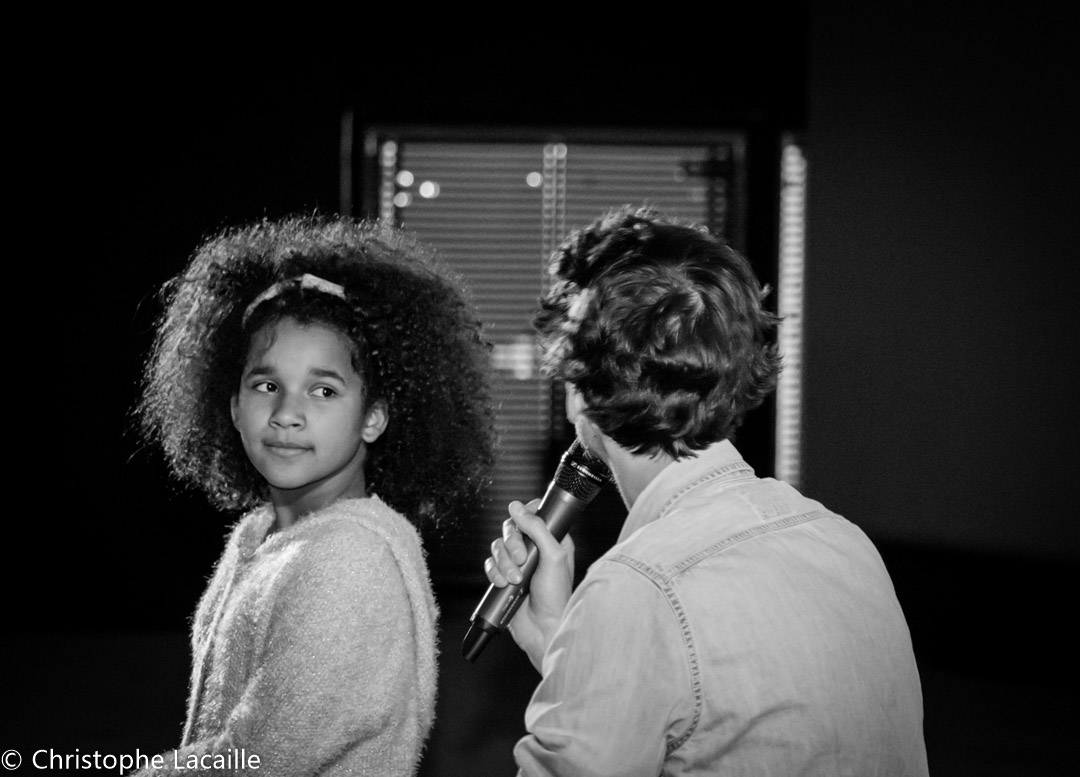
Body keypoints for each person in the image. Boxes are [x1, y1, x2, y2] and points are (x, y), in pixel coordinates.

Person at [485, 205, 929, 775]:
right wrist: (560, 641)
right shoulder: (845, 543)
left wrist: (593, 625)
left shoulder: (637, 589)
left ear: (578, 393)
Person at [135, 215, 495, 775]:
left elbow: (261, 759)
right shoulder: (262, 535)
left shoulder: (348, 562)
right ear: (233, 406)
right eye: (267, 385)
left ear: (373, 418)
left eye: (323, 390)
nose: (286, 413)